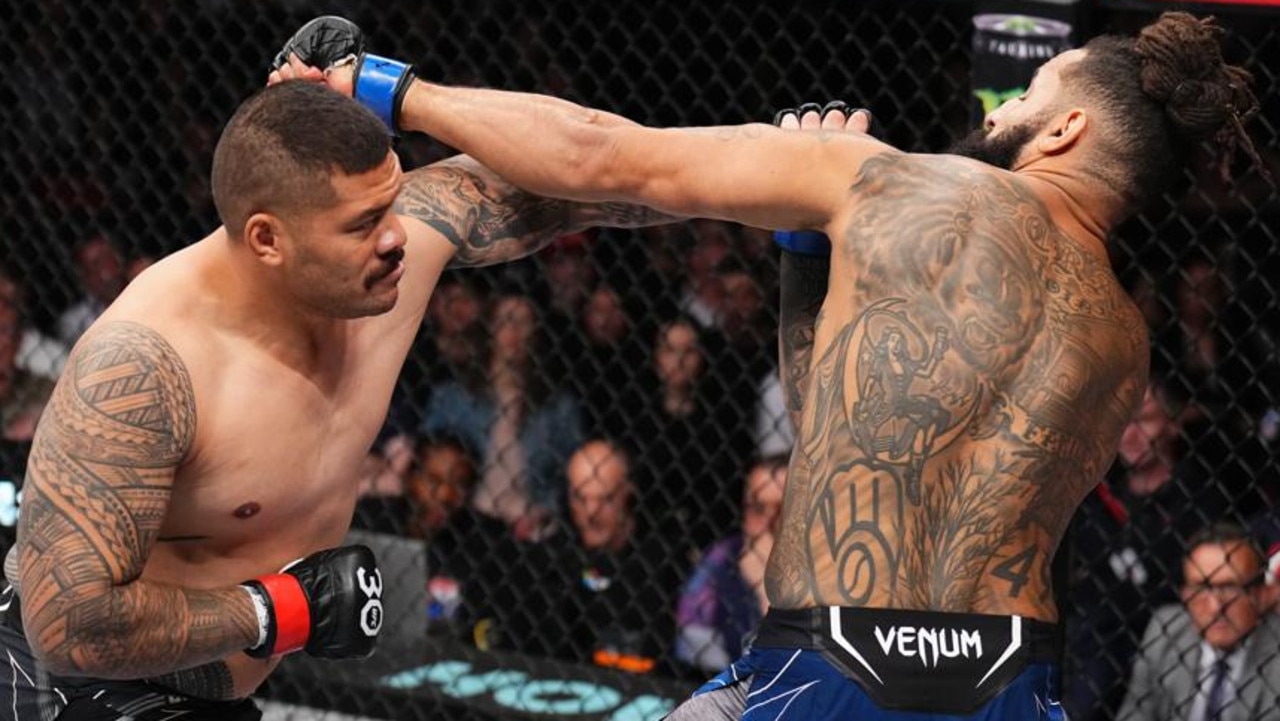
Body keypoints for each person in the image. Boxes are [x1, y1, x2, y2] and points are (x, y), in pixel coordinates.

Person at [285, 10, 1263, 718]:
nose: (1007, 104)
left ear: (1064, 130)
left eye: (1030, 94)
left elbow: (601, 154)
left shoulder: (887, 178)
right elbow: (843, 427)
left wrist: (387, 88)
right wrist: (804, 256)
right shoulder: (1122, 340)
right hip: (1009, 680)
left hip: (829, 660)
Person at [0, 64, 675, 721]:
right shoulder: (144, 367)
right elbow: (67, 624)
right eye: (361, 224)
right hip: (62, 686)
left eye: (390, 206)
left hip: (202, 693)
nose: (395, 238)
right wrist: (282, 607)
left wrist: (397, 91)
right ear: (269, 239)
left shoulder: (383, 260)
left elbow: (586, 174)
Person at [1117, 522, 1280, 721]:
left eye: (1230, 587)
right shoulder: (1165, 630)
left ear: (1260, 594)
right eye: (1201, 588)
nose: (1215, 607)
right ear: (1185, 594)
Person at [675, 454, 788, 674]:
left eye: (783, 510)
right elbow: (693, 664)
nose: (768, 524)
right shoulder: (719, 563)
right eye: (757, 508)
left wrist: (770, 593)